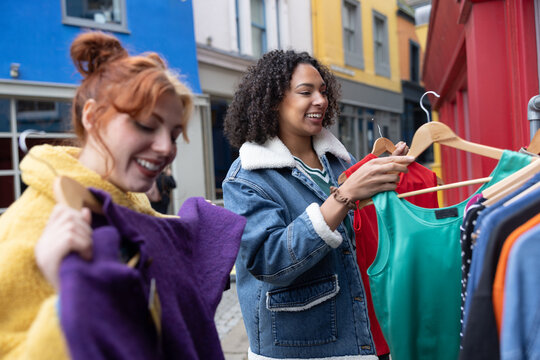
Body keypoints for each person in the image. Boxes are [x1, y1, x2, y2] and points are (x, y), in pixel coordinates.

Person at [0, 31, 244, 359]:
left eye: (173, 134)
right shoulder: (31, 228)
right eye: (145, 125)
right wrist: (66, 294)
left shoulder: (130, 205)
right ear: (92, 117)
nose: (166, 149)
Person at [222, 50, 414, 360]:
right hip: (300, 347)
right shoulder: (247, 177)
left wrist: (377, 176)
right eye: (305, 92)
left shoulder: (338, 162)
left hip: (362, 333)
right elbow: (270, 262)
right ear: (273, 100)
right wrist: (344, 196)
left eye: (323, 91)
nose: (320, 100)